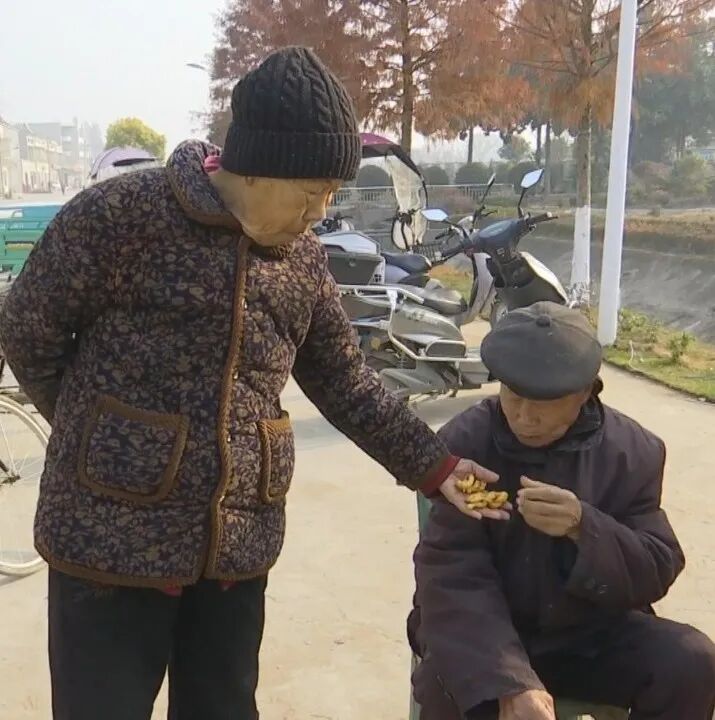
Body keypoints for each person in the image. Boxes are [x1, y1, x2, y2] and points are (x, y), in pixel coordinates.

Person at [0, 47, 504, 720]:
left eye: (332, 193)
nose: (320, 211)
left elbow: (346, 380)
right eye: (311, 191)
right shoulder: (120, 217)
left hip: (234, 549)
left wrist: (435, 466)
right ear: (257, 167)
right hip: (107, 541)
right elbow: (27, 329)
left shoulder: (300, 260)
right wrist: (100, 435)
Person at [409, 301, 715, 720]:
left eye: (544, 402)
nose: (524, 417)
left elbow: (655, 569)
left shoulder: (633, 452)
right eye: (514, 396)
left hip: (587, 634)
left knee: (690, 661)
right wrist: (510, 679)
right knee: (451, 685)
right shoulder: (465, 445)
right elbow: (450, 574)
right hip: (485, 634)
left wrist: (585, 528)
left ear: (586, 392)